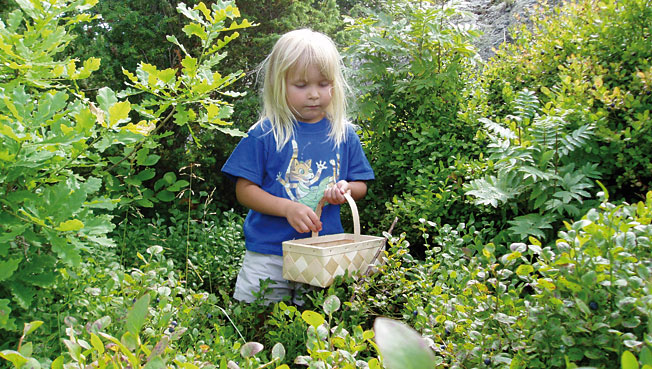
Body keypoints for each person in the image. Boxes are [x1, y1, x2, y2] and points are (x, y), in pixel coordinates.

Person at [221, 28, 375, 305]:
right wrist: (287, 208)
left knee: (314, 324)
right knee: (257, 318)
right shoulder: (266, 133)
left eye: (323, 83)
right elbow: (244, 190)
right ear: (279, 83)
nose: (314, 94)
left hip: (323, 251)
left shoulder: (343, 133)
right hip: (269, 253)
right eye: (301, 85)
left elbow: (361, 185)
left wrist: (346, 189)